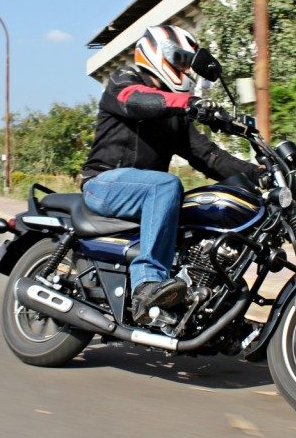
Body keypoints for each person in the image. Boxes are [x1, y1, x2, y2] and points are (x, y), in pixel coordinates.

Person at [80, 25, 261, 324]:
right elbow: (137, 100)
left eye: (187, 64)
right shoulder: (123, 80)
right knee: (165, 185)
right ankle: (147, 283)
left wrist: (259, 174)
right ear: (156, 54)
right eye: (179, 60)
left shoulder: (175, 118)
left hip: (145, 194)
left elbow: (209, 156)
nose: (185, 70)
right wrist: (190, 104)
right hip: (102, 183)